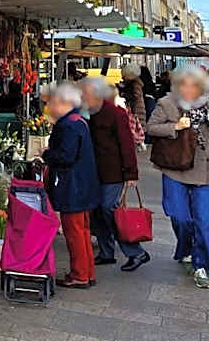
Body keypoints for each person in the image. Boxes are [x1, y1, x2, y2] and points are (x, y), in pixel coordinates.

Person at [146, 65, 209, 289]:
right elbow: (150, 128)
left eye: (195, 86)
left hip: (205, 169)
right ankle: (187, 247)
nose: (190, 90)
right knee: (180, 216)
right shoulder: (166, 104)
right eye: (185, 85)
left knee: (207, 222)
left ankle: (202, 265)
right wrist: (175, 126)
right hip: (176, 167)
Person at [82, 77, 150, 272]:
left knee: (108, 210)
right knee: (97, 212)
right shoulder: (91, 114)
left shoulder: (115, 114)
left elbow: (127, 145)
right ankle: (106, 252)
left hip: (114, 173)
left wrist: (131, 174)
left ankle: (136, 252)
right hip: (96, 172)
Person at [42, 82, 100, 289]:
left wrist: (46, 154)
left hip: (72, 186)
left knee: (74, 231)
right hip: (83, 185)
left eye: (55, 102)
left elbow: (65, 156)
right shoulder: (79, 120)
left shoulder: (68, 125)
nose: (52, 107)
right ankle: (87, 271)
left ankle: (79, 274)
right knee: (82, 230)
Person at [119, 63, 147, 133]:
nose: (122, 77)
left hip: (137, 110)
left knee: (138, 129)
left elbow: (135, 95)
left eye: (124, 76)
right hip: (137, 109)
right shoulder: (135, 83)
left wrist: (123, 94)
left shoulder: (135, 84)